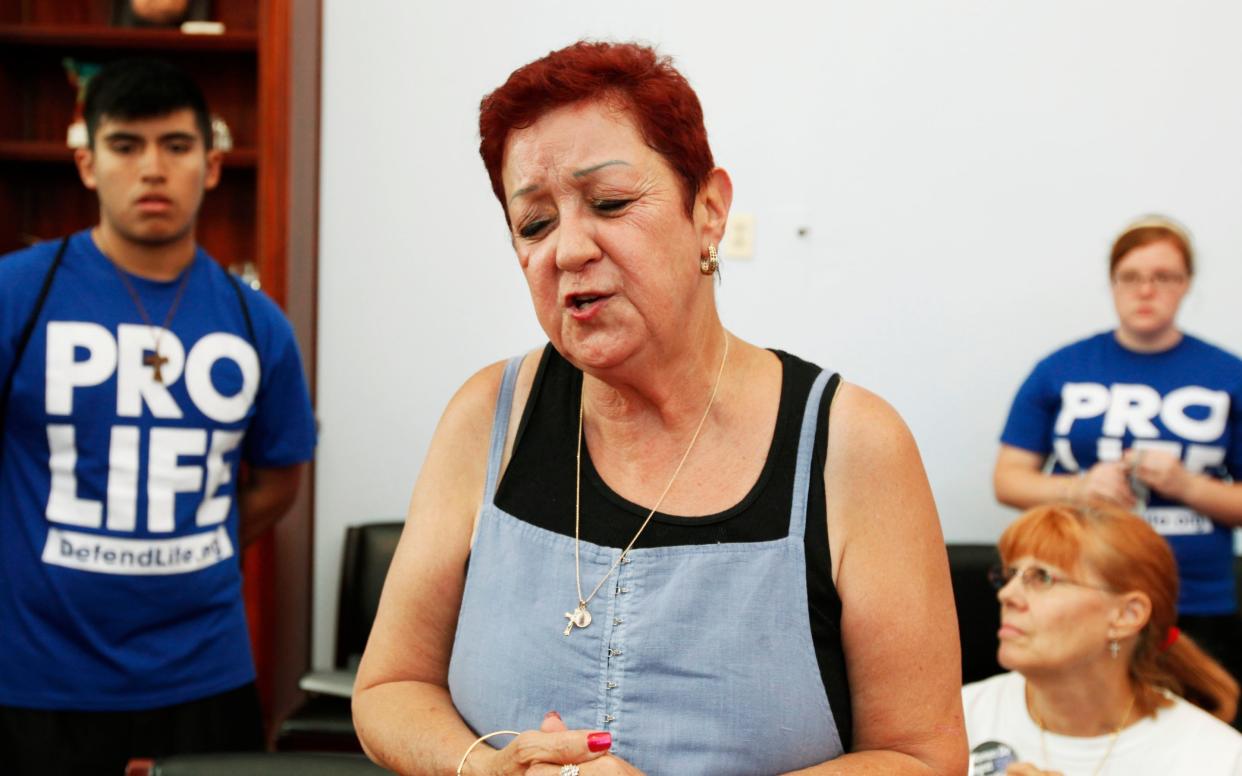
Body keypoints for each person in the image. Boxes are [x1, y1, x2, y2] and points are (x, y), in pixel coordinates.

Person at [353, 40, 965, 775]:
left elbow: (921, 758)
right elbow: (389, 687)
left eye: (610, 203)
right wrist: (475, 765)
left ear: (708, 212)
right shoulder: (489, 417)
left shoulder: (851, 445)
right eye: (535, 224)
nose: (569, 249)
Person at [0, 58, 317, 773]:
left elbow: (279, 480)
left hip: (204, 675)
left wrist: (181, 540)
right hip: (36, 679)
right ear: (86, 162)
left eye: (176, 146)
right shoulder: (16, 295)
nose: (152, 169)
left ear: (211, 164)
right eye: (126, 145)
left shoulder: (256, 323)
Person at [993, 216, 1242, 712]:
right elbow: (1007, 479)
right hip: (1075, 596)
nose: (1146, 290)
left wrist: (1186, 484)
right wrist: (1081, 487)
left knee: (1199, 734)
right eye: (1131, 276)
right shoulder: (1061, 368)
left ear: (1186, 284)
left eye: (1164, 277)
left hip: (1196, 600)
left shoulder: (1227, 375)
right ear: (1113, 283)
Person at [963, 503, 1242, 775]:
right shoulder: (960, 717)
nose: (1007, 595)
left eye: (1042, 578)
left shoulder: (1218, 758)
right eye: (1010, 575)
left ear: (1127, 615)